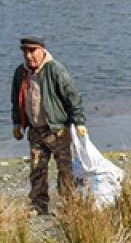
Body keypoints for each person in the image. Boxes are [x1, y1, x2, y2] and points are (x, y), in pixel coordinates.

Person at [9, 36, 87, 215]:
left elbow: (72, 97)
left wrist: (79, 121)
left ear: (42, 50)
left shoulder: (55, 69)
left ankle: (69, 204)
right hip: (35, 130)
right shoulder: (21, 73)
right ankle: (38, 205)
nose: (29, 55)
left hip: (57, 129)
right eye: (25, 51)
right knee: (37, 169)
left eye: (32, 51)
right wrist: (16, 123)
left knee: (64, 169)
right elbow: (16, 100)